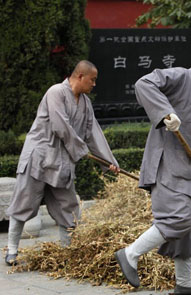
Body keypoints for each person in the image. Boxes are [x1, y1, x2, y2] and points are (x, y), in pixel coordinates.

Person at [114, 48, 191, 295]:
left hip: (187, 170)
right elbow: (143, 83)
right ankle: (130, 254)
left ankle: (184, 283)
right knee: (178, 219)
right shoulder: (180, 76)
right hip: (166, 165)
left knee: (189, 230)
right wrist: (166, 113)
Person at [5, 60, 120, 266]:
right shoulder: (55, 92)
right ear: (80, 76)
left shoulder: (85, 103)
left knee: (69, 207)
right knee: (23, 202)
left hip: (63, 162)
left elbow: (94, 133)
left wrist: (109, 162)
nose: (94, 84)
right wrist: (80, 149)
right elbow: (61, 126)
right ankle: (12, 250)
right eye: (92, 80)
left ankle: (67, 252)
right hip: (39, 157)